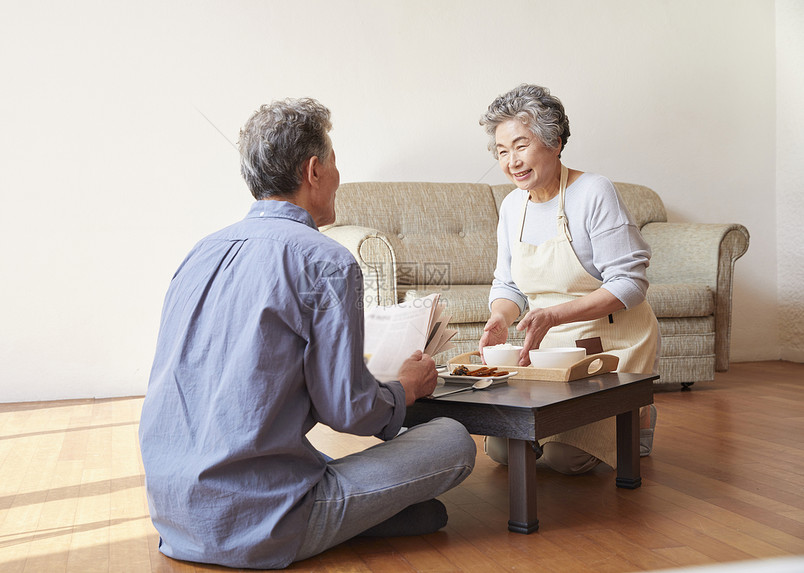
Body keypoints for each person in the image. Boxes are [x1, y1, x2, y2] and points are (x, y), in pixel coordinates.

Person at [139, 98, 475, 569]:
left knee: (428, 515)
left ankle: (361, 515)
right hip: (262, 520)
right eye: (334, 163)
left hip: (175, 517)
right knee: (453, 440)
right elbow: (348, 410)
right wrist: (405, 389)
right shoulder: (327, 260)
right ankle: (326, 522)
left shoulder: (199, 252)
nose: (338, 176)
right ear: (314, 170)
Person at [478, 84, 660, 474]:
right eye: (502, 151)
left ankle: (638, 415)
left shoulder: (593, 191)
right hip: (549, 348)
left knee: (566, 458)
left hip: (609, 344)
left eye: (521, 145)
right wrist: (500, 318)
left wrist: (556, 315)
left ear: (555, 142)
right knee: (502, 452)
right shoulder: (512, 206)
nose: (512, 161)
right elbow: (508, 285)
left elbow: (630, 283)